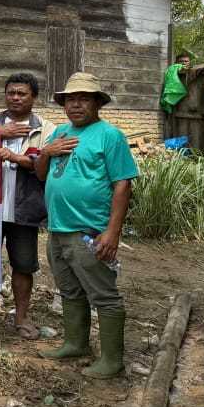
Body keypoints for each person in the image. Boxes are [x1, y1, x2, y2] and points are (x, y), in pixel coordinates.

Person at [35, 72, 137, 379]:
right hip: (58, 230)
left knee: (104, 295)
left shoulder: (109, 135)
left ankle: (112, 361)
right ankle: (75, 343)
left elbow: (123, 186)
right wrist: (45, 152)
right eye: (70, 100)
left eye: (83, 99)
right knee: (70, 291)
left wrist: (112, 233)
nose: (76, 105)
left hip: (89, 231)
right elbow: (41, 174)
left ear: (96, 103)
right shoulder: (59, 134)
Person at [0, 73, 55, 339]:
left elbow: (46, 166)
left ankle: (21, 318)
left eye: (22, 94)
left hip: (24, 207)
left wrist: (15, 157)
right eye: (11, 93)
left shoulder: (46, 129)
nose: (16, 98)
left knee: (23, 264)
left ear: (34, 97)